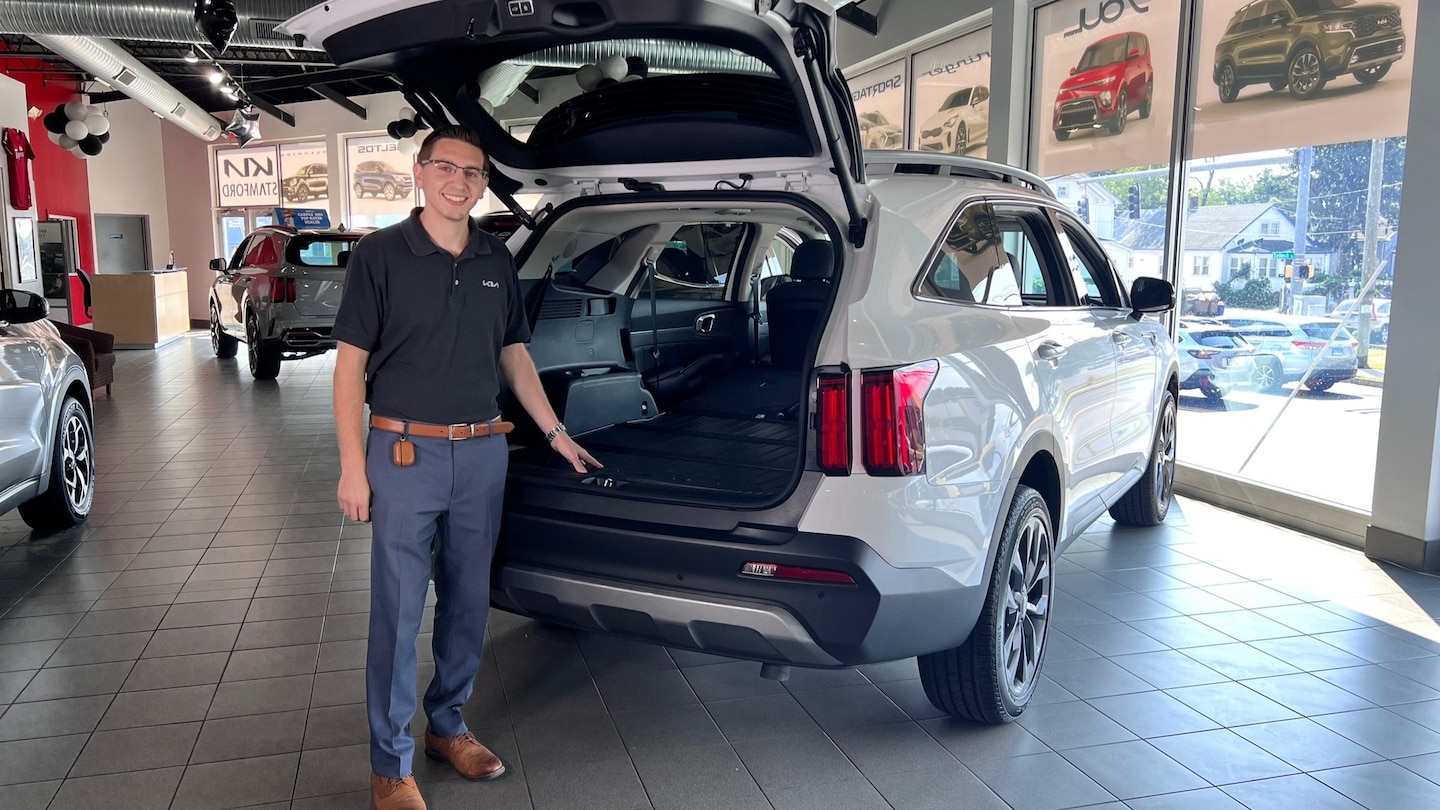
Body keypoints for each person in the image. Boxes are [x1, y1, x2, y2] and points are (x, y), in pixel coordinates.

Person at [331, 125, 599, 810]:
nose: (459, 182)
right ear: (418, 174)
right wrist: (350, 469)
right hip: (402, 454)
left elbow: (514, 354)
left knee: (468, 600)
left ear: (483, 184)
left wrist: (555, 431)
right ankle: (390, 765)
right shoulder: (381, 256)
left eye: (473, 173)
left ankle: (447, 725)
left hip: (483, 452)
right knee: (397, 611)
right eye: (445, 168)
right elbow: (349, 370)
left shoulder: (495, 258)